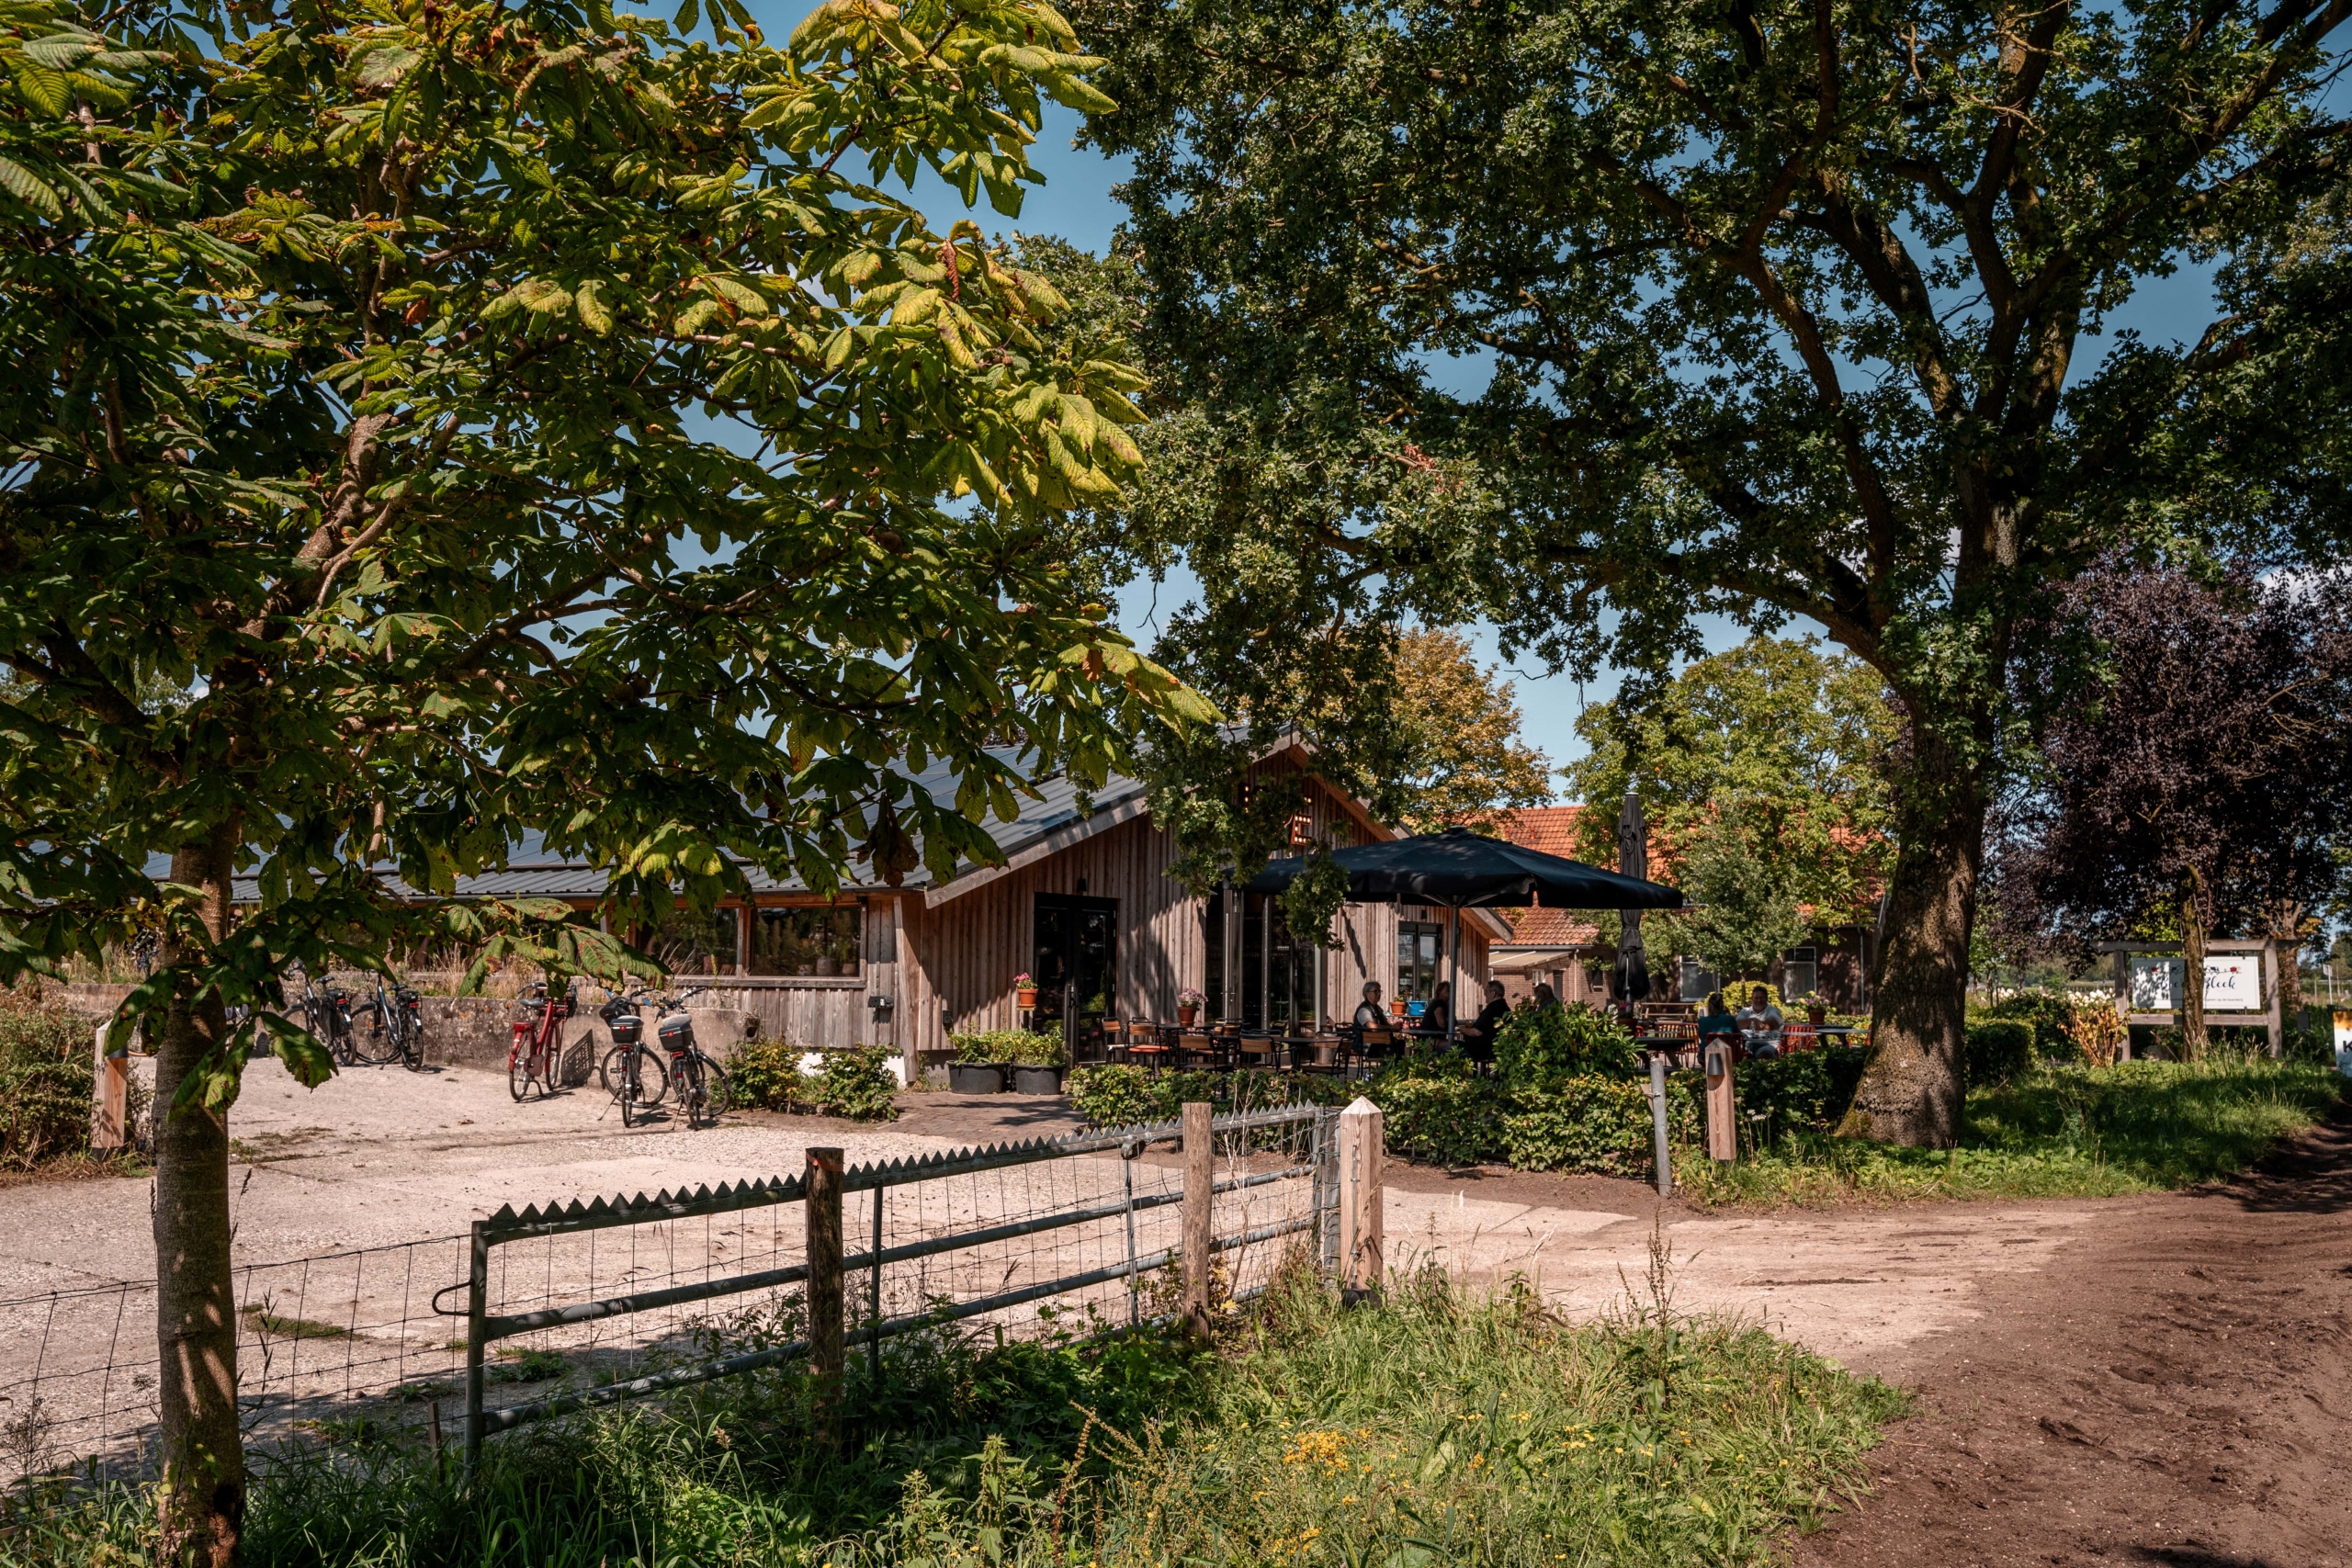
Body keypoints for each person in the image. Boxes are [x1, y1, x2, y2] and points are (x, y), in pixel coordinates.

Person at [1736, 985, 1784, 1058]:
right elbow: (1737, 1024)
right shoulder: (1745, 1011)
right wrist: (1753, 1020)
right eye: (1756, 998)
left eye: (1761, 998)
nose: (1759, 1000)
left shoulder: (1774, 1011)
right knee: (1733, 1051)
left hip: (1769, 1045)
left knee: (1764, 1056)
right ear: (1752, 999)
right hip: (1747, 1044)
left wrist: (1747, 1024)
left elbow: (1767, 1026)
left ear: (1766, 998)